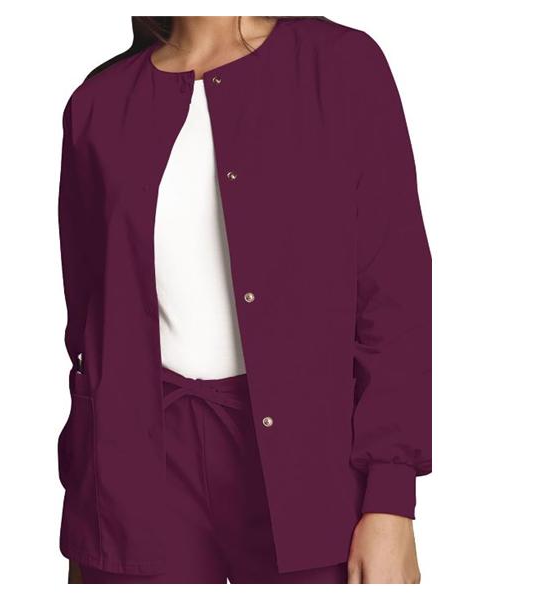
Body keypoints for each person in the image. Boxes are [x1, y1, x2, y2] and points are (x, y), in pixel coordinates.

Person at [57, 16, 432, 584]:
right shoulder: (99, 104)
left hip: (310, 469)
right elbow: (88, 317)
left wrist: (390, 497)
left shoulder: (339, 65)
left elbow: (394, 292)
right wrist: (92, 507)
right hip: (138, 475)